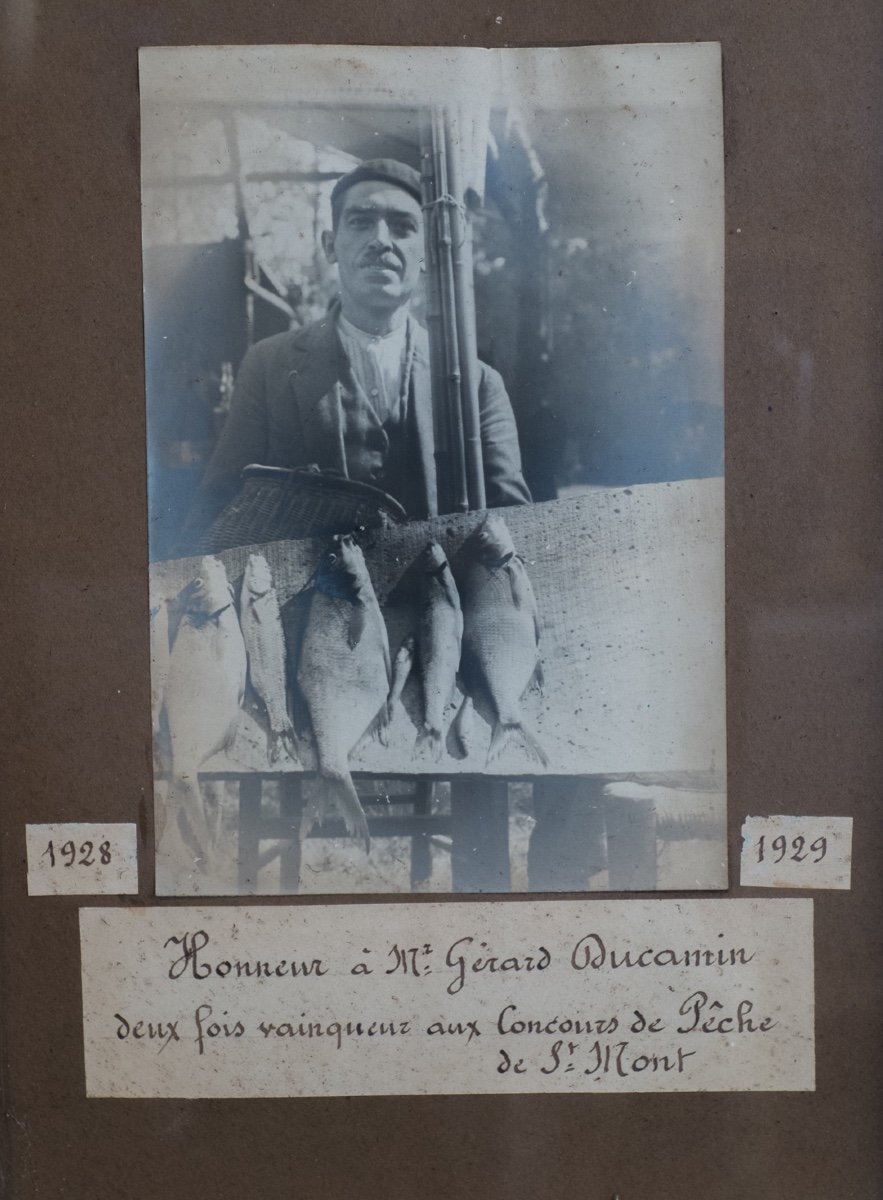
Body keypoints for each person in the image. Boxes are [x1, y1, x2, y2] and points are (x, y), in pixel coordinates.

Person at [185, 158, 530, 542]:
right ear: (330, 245)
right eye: (360, 222)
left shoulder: (477, 384)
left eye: (402, 227)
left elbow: (513, 534)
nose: (381, 240)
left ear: (427, 253)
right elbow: (214, 517)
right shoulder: (269, 366)